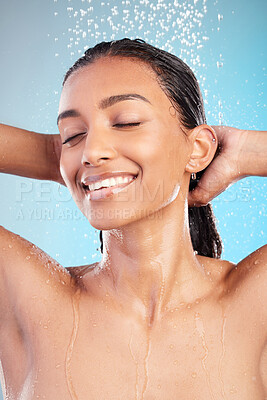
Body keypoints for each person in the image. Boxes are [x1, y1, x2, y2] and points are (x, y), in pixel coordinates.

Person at [0, 38, 266, 399]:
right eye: (73, 135)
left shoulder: (252, 302)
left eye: (125, 122)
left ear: (198, 148)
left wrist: (245, 152)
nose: (92, 151)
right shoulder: (30, 299)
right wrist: (59, 159)